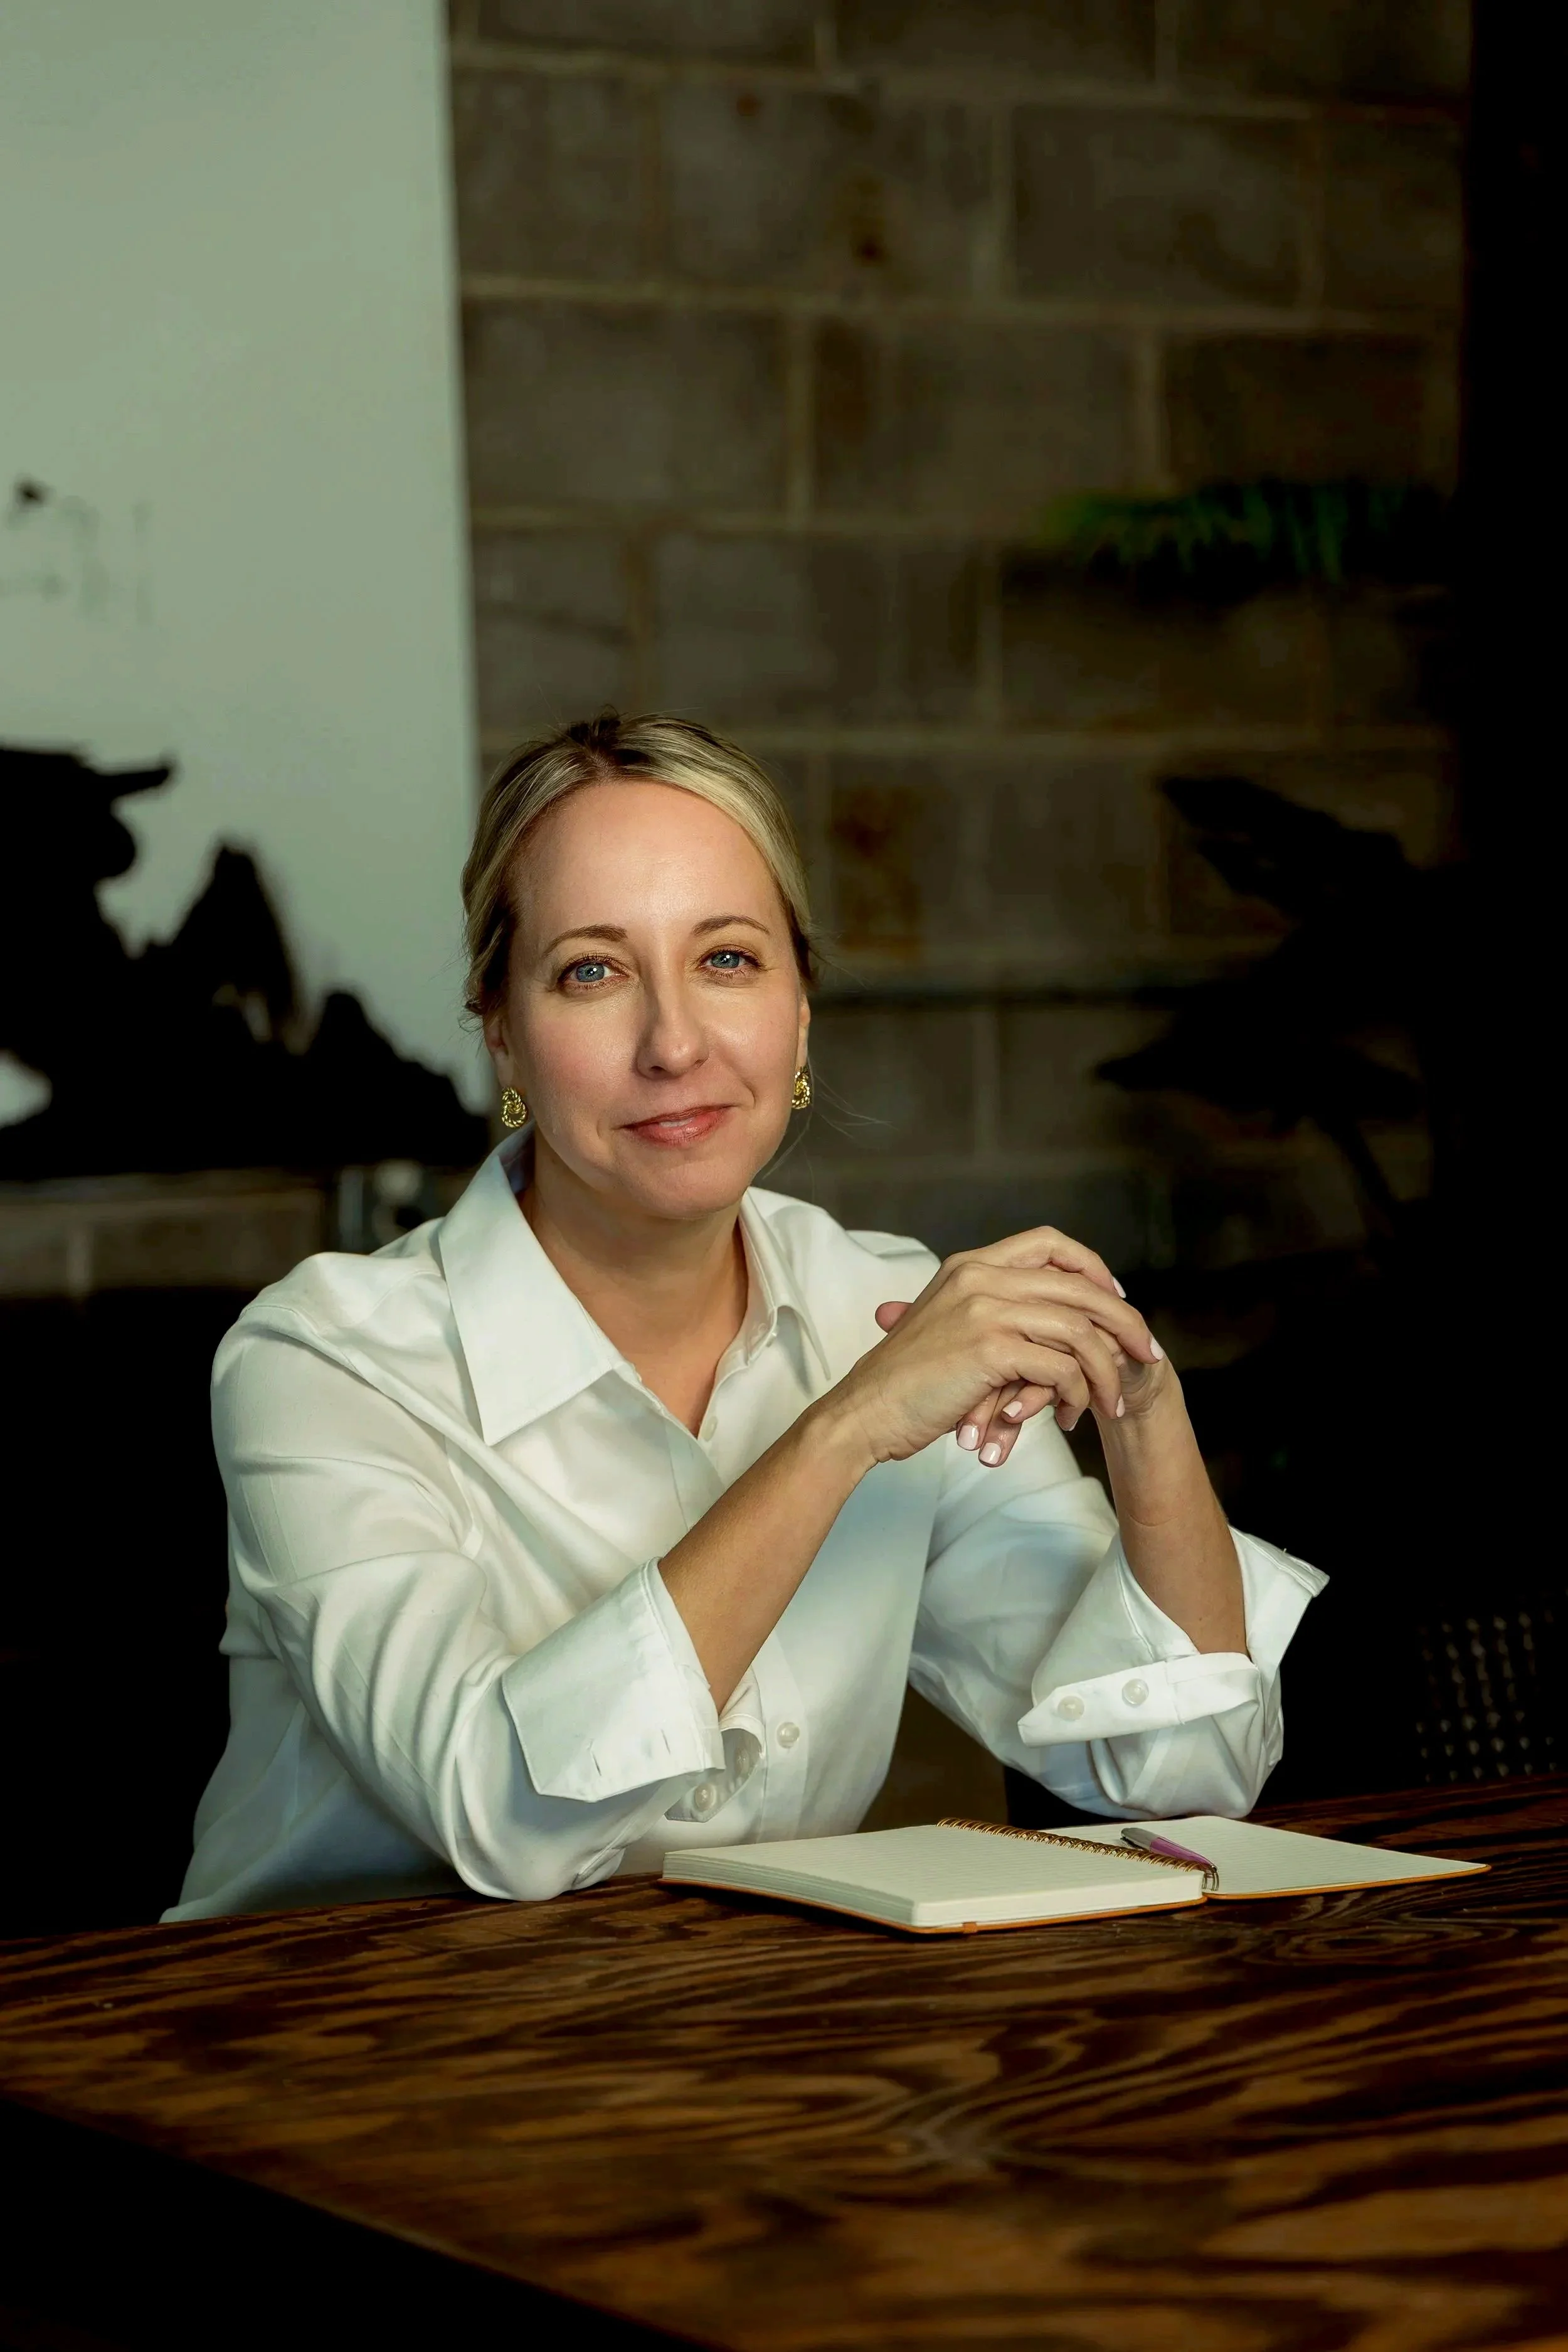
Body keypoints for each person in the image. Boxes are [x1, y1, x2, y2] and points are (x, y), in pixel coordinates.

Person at [168, 714, 1323, 1921]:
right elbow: (501, 1813)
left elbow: (1181, 1773)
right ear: (501, 1025)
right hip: (333, 2016)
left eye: (727, 959)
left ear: (800, 1007)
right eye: (593, 971)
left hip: (744, 2014)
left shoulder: (882, 1307)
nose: (674, 1045)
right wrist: (844, 1429)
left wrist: (1144, 1406)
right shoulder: (325, 1360)